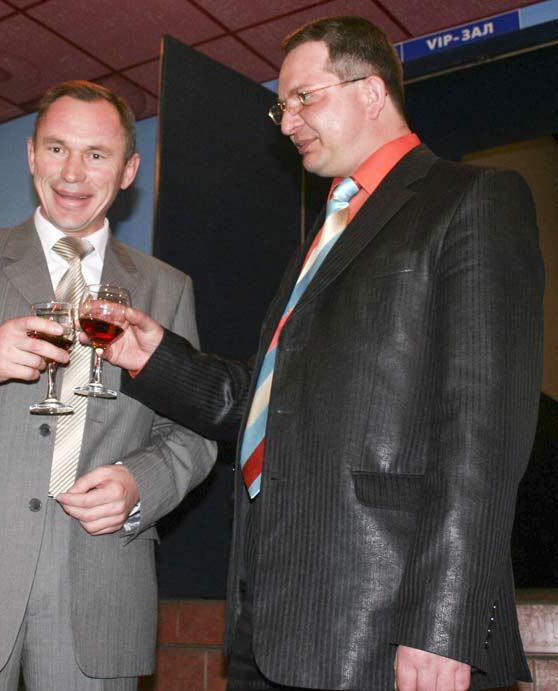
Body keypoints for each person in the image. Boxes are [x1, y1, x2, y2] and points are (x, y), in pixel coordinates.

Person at [102, 16, 544, 691]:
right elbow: (268, 409)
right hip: (272, 618)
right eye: (282, 106)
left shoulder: (473, 199)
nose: (287, 122)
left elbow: (483, 430)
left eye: (303, 98)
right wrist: (153, 356)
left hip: (386, 620)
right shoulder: (326, 232)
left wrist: (443, 622)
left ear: (372, 91)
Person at [0, 80, 216, 691]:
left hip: (100, 583)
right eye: (57, 149)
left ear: (129, 170)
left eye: (96, 154)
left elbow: (194, 433)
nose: (72, 172)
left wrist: (140, 483)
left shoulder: (168, 288)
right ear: (31, 156)